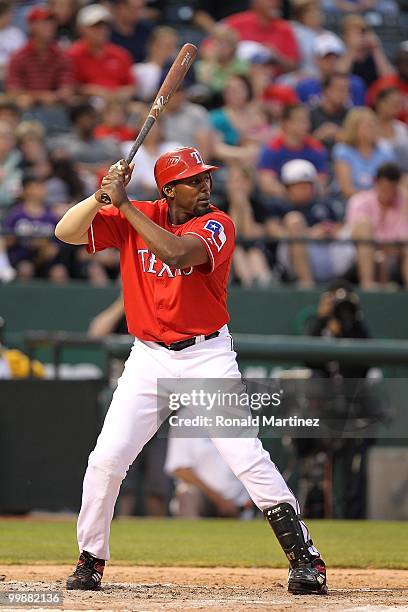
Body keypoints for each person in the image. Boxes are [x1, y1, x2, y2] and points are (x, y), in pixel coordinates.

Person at [55, 145, 327, 595]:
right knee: (107, 459)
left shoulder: (218, 223)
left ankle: (306, 559)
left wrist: (123, 205)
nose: (205, 186)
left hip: (206, 355)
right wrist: (101, 196)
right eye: (194, 180)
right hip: (148, 356)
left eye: (205, 178)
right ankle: (90, 558)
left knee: (245, 457)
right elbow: (66, 232)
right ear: (169, 189)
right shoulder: (137, 211)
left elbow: (180, 254)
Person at [265, 159, 343, 286]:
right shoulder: (278, 205)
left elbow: (339, 227)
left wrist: (328, 230)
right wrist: (309, 234)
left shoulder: (323, 204)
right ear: (288, 187)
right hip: (291, 253)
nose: (304, 189)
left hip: (325, 250)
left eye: (307, 184)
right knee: (294, 220)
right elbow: (274, 231)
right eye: (299, 185)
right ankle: (306, 283)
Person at [346, 163, 408, 289]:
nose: (387, 192)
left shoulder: (402, 203)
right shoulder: (359, 201)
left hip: (395, 256)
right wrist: (382, 248)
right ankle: (368, 286)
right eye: (384, 187)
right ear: (376, 182)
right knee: (364, 225)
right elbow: (356, 233)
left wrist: (405, 203)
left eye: (392, 188)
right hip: (360, 256)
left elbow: (403, 236)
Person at [165, 433, 254, 518]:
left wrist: (254, 494)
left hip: (240, 500)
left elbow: (253, 460)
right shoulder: (185, 420)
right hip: (204, 498)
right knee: (186, 492)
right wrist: (219, 500)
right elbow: (181, 470)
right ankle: (191, 532)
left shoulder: (237, 420)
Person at [6, 6, 74, 110]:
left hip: (55, 106)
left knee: (73, 102)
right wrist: (42, 97)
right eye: (43, 22)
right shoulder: (19, 56)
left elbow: (66, 89)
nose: (49, 27)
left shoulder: (62, 56)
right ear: (31, 26)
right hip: (28, 108)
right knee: (23, 101)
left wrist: (55, 96)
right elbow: (14, 92)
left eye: (51, 23)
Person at [68, 4, 135, 102]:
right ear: (82, 29)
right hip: (87, 104)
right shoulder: (73, 54)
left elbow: (131, 85)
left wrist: (120, 94)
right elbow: (71, 87)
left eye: (104, 26)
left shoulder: (120, 53)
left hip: (118, 103)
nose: (101, 31)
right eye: (95, 27)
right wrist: (92, 91)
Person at [257, 103, 328, 197]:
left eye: (306, 121)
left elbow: (321, 181)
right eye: (300, 121)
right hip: (282, 200)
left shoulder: (316, 148)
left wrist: (304, 193)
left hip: (310, 199)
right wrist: (292, 194)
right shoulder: (272, 149)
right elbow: (267, 183)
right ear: (285, 123)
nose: (306, 125)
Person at [332, 107, 396, 200]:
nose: (372, 130)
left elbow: (393, 181)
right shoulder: (343, 151)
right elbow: (346, 189)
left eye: (374, 126)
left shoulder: (385, 151)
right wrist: (372, 199)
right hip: (350, 200)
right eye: (367, 127)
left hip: (382, 201)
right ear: (354, 129)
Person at [223, 0, 299, 73]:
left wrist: (276, 56)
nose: (277, 3)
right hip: (238, 77)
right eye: (270, 0)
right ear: (255, 2)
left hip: (275, 80)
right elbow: (213, 48)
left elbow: (293, 66)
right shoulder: (237, 23)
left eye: (278, 0)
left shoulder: (285, 29)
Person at [296, 32, 366, 107]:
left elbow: (359, 113)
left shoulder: (355, 84)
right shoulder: (305, 87)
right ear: (315, 59)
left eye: (336, 57)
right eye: (327, 57)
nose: (332, 61)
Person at [309, 72, 350, 156]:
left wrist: (342, 135)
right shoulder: (310, 114)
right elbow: (298, 144)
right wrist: (317, 137)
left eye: (346, 89)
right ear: (326, 90)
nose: (343, 94)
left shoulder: (352, 115)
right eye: (339, 89)